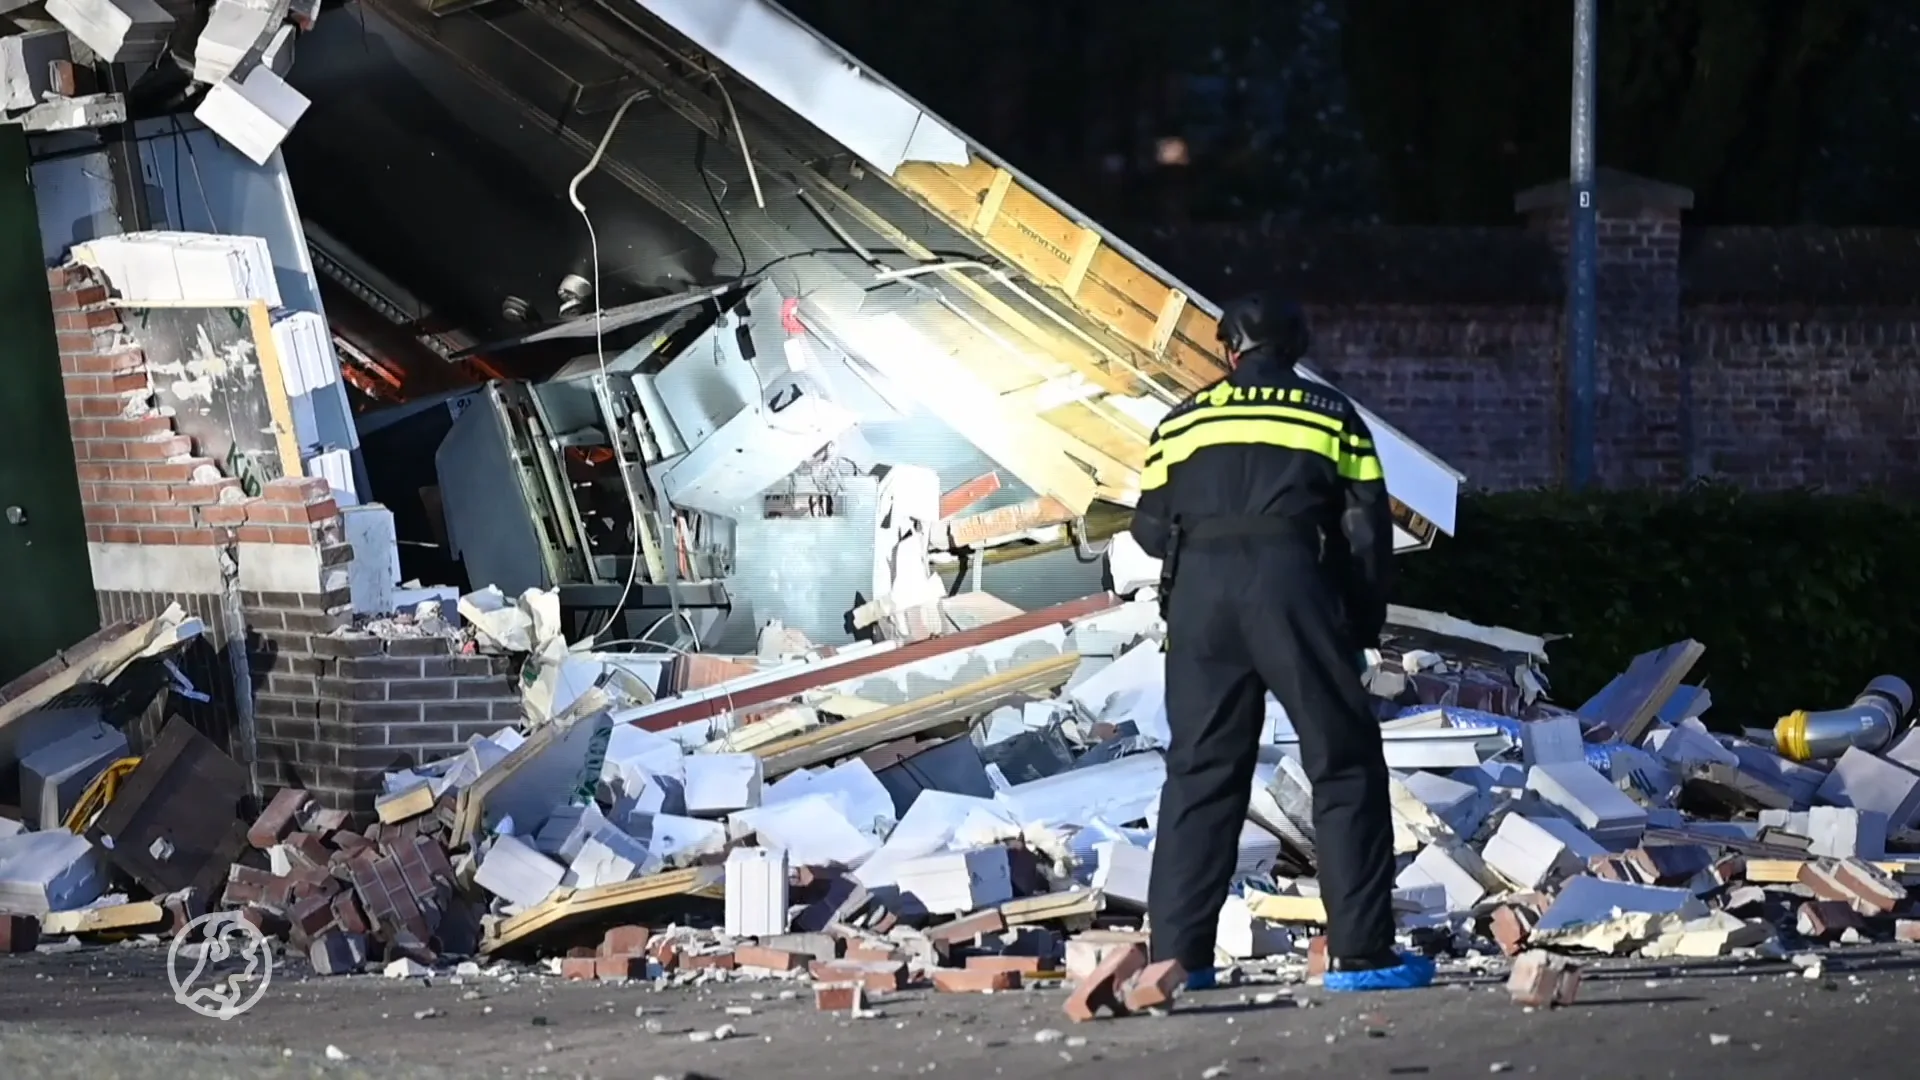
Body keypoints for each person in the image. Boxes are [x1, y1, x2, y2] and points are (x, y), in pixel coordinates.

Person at [1131, 293, 1434, 994]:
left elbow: (1149, 530)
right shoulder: (1332, 417)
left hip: (1200, 600)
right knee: (1344, 764)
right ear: (1296, 349)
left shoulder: (1180, 423)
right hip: (1292, 587)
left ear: (1228, 350)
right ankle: (1361, 957)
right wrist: (1358, 626)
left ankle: (1181, 961)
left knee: (1200, 775)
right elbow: (1366, 533)